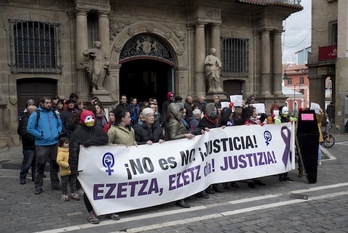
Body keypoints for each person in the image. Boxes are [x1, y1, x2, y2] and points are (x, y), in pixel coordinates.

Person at [68, 110, 117, 224]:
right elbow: (73, 152)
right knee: (89, 191)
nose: (90, 121)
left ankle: (107, 210)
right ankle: (92, 212)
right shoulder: (77, 134)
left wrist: (89, 143)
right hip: (85, 166)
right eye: (87, 118)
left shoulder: (98, 129)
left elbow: (104, 139)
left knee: (105, 188)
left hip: (99, 165)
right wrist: (74, 169)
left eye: (91, 118)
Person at [27, 96, 62, 195]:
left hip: (54, 143)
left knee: (54, 166)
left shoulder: (53, 113)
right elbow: (30, 128)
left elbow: (59, 124)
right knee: (40, 166)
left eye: (50, 102)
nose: (49, 104)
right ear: (41, 103)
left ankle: (55, 184)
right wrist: (40, 135)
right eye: (47, 103)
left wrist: (58, 132)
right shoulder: (35, 114)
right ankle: (38, 186)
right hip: (42, 144)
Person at [165, 103, 195, 208]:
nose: (180, 113)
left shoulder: (175, 120)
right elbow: (173, 137)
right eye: (178, 111)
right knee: (179, 175)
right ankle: (180, 199)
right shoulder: (174, 122)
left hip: (178, 150)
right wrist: (185, 135)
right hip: (176, 151)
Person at [274, 106, 296, 183]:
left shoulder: (289, 118)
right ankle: (280, 176)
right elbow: (277, 125)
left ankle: (286, 175)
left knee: (288, 157)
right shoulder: (278, 119)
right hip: (280, 142)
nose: (286, 114)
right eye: (284, 113)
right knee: (281, 158)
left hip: (288, 141)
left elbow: (295, 119)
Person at [56, 137, 80, 201]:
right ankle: (64, 194)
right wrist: (67, 165)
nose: (68, 144)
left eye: (68, 142)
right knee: (64, 183)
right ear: (62, 144)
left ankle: (73, 193)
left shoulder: (71, 150)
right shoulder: (61, 152)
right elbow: (59, 161)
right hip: (65, 171)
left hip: (72, 170)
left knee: (73, 183)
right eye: (66, 143)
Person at [19, 105, 37, 185]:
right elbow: (24, 133)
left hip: (35, 145)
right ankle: (22, 177)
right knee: (27, 163)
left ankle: (35, 178)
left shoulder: (34, 119)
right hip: (29, 146)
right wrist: (34, 139)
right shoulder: (26, 119)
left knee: (35, 163)